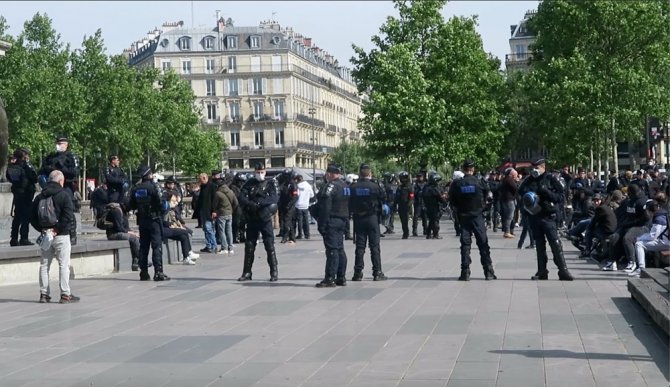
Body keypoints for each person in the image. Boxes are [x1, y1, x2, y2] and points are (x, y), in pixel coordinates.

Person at [519, 157, 573, 281]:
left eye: (536, 168)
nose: (534, 170)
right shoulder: (529, 180)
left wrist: (546, 192)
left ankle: (563, 270)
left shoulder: (551, 179)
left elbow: (560, 197)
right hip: (535, 215)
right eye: (532, 168)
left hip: (548, 216)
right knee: (539, 244)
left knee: (555, 243)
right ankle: (542, 271)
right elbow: (521, 191)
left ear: (543, 167)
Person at [30, 170, 79, 303]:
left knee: (44, 265)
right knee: (64, 264)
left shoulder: (40, 197)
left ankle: (44, 294)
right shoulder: (63, 195)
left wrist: (43, 230)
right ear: (61, 181)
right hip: (61, 235)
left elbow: (32, 217)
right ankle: (65, 294)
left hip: (46, 235)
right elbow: (68, 216)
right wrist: (56, 230)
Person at [448, 160, 496, 281]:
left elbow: (452, 201)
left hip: (464, 217)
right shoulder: (480, 182)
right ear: (473, 169)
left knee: (465, 245)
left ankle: (465, 273)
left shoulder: (457, 184)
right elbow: (489, 197)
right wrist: (484, 208)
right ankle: (488, 272)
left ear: (463, 169)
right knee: (483, 244)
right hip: (478, 217)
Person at [237, 163, 279, 282]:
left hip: (265, 218)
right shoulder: (249, 183)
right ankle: (247, 272)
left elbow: (274, 198)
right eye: (257, 172)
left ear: (265, 172)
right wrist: (251, 204)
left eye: (262, 172)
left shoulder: (270, 183)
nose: (260, 174)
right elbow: (241, 197)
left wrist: (261, 203)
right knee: (249, 246)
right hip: (252, 218)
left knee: (269, 245)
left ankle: (274, 272)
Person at [129, 165, 170, 281]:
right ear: (149, 175)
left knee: (144, 247)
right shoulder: (153, 187)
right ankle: (158, 272)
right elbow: (162, 203)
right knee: (156, 246)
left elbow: (130, 205)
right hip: (154, 220)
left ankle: (143, 272)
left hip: (142, 220)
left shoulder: (136, 188)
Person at [349, 163, 387, 282]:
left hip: (359, 219)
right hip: (372, 218)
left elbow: (349, 202)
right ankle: (377, 272)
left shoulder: (353, 187)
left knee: (360, 247)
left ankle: (357, 272)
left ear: (360, 174)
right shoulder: (375, 186)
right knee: (374, 246)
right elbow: (384, 199)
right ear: (370, 173)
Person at [39, 136, 80, 245]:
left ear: (66, 145)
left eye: (62, 143)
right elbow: (42, 169)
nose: (59, 145)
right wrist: (50, 169)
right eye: (58, 143)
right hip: (51, 186)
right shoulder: (51, 157)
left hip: (66, 186)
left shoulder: (72, 157)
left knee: (68, 211)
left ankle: (72, 235)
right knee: (50, 210)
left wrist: (61, 169)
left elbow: (74, 172)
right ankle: (50, 233)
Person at [314, 164, 350, 287]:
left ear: (329, 173)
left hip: (332, 220)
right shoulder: (345, 186)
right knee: (340, 249)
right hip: (342, 220)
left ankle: (330, 278)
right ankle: (341, 277)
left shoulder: (330, 186)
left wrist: (322, 224)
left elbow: (325, 207)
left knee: (332, 250)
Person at [6, 148, 38, 246]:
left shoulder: (12, 166)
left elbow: (9, 178)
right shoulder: (26, 166)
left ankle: (14, 238)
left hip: (17, 193)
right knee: (25, 217)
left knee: (17, 216)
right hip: (26, 194)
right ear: (24, 156)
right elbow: (34, 178)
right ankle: (24, 238)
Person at [632, 193, 668, 277]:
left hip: (665, 242)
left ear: (651, 210)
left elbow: (653, 236)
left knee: (639, 244)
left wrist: (638, 238)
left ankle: (641, 269)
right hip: (665, 240)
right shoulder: (664, 213)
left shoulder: (658, 218)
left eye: (647, 211)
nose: (646, 213)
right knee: (641, 241)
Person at [104, 199, 140, 271]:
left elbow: (126, 227)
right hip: (113, 234)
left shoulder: (123, 212)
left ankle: (136, 262)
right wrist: (130, 233)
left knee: (138, 236)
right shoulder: (116, 211)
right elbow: (119, 228)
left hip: (120, 232)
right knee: (134, 238)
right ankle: (141, 259)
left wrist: (133, 232)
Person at [213, 175, 238, 255]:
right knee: (229, 230)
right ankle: (230, 248)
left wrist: (215, 211)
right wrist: (231, 209)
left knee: (221, 231)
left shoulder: (218, 193)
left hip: (221, 213)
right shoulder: (231, 191)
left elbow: (214, 205)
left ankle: (224, 247)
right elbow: (236, 203)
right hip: (229, 213)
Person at [195, 172, 217, 253]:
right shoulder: (203, 186)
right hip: (203, 210)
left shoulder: (212, 186)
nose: (200, 181)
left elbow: (214, 199)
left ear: (205, 178)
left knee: (209, 228)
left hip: (209, 211)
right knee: (205, 229)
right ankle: (208, 245)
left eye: (200, 180)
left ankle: (213, 245)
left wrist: (214, 210)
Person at [423, 172, 447, 239]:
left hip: (428, 207)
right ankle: (435, 234)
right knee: (435, 220)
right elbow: (439, 198)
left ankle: (428, 234)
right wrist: (444, 202)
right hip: (434, 207)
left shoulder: (426, 187)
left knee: (431, 220)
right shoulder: (434, 189)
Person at [499, 168, 519, 238]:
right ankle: (507, 232)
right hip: (509, 200)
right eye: (515, 174)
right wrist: (517, 182)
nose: (516, 176)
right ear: (511, 174)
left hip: (506, 199)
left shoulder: (505, 179)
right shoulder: (510, 180)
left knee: (509, 216)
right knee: (509, 216)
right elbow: (515, 188)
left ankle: (508, 231)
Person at [395, 171, 414, 239]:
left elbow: (412, 196)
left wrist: (410, 203)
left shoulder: (409, 187)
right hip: (400, 205)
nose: (403, 179)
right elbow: (396, 197)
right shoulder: (399, 187)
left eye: (405, 178)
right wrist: (395, 205)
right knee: (402, 220)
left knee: (405, 220)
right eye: (402, 178)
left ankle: (406, 233)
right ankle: (405, 232)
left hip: (406, 205)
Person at [294, 174, 314, 239]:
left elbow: (296, 195)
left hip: (298, 205)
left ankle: (300, 234)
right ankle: (307, 234)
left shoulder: (297, 186)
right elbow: (312, 195)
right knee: (306, 221)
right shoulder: (308, 185)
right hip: (306, 205)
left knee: (299, 220)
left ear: (297, 179)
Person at [412, 172, 428, 237]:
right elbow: (413, 193)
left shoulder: (425, 184)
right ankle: (414, 230)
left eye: (420, 177)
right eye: (418, 177)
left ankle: (425, 230)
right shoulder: (415, 185)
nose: (419, 178)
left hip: (424, 202)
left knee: (425, 217)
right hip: (417, 203)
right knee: (416, 217)